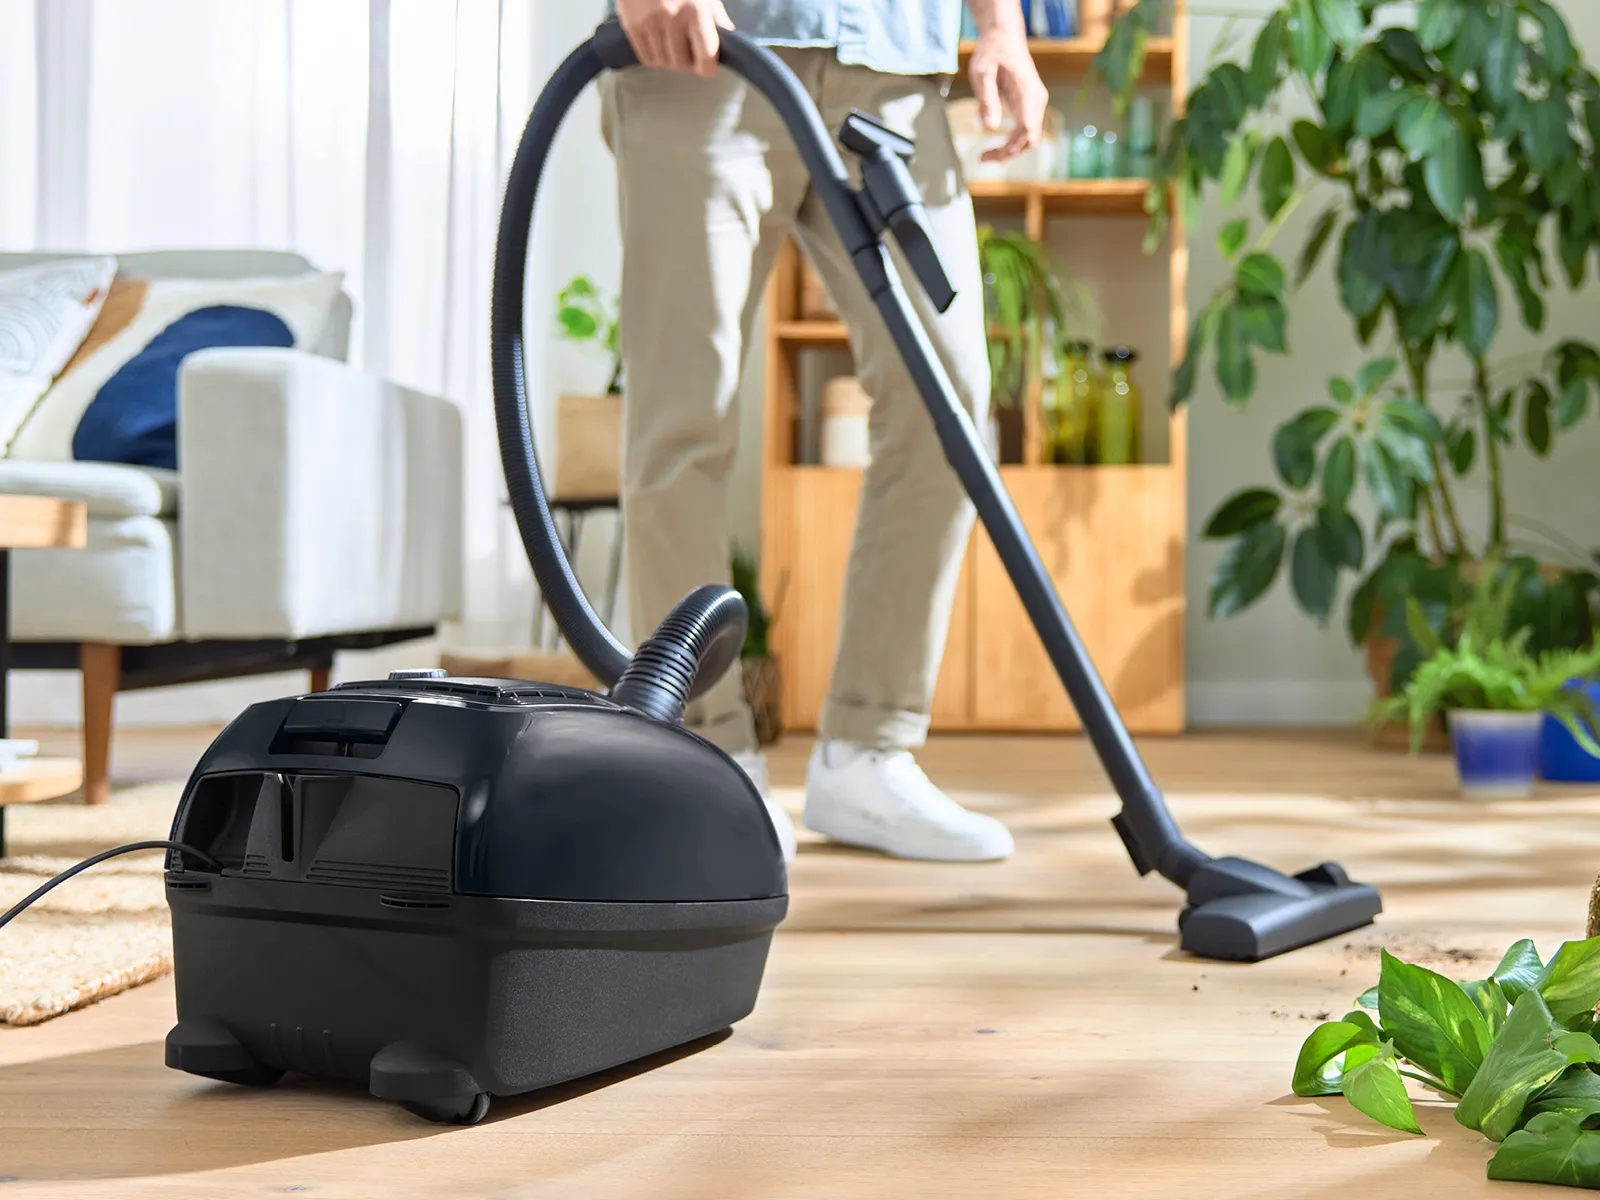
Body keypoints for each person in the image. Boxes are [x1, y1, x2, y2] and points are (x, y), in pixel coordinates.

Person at [605, 0, 1046, 863]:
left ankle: (867, 751)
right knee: (682, 412)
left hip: (891, 60)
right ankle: (704, 762)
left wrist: (1004, 27)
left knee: (945, 398)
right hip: (706, 49)